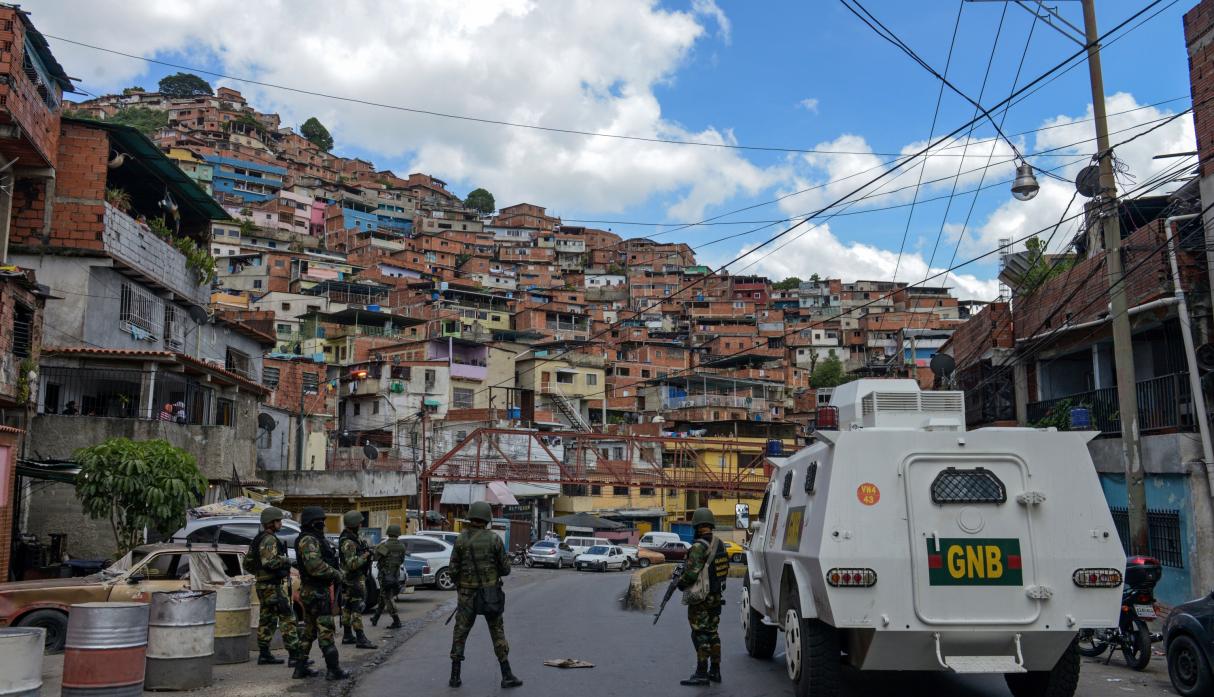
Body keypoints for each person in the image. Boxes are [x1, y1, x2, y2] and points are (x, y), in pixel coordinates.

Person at [448, 501, 521, 689]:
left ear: (471, 517)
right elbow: (505, 570)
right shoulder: (494, 540)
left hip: (466, 595)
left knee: (460, 632)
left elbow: (453, 570)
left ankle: (454, 676)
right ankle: (506, 674)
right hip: (490, 593)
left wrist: (461, 585)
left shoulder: (461, 539)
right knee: (497, 632)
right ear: (487, 519)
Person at [293, 506, 351, 680]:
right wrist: (336, 574)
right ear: (313, 523)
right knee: (326, 630)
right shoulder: (309, 540)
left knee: (309, 631)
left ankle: (300, 668)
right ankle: (333, 670)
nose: (323, 525)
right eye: (321, 522)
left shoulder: (313, 539)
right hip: (316, 592)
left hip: (314, 590)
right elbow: (315, 567)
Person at [675, 507, 730, 686]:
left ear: (697, 526)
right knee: (713, 633)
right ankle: (715, 671)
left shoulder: (698, 547)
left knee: (700, 634)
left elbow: (691, 575)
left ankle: (701, 673)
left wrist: (680, 584)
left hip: (702, 598)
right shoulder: (719, 543)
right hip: (716, 596)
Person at [247, 507, 307, 670]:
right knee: (287, 618)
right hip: (272, 586)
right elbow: (269, 562)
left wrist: (260, 574)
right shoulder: (269, 540)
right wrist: (285, 560)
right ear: (270, 523)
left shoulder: (258, 539)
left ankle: (264, 654)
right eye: (278, 521)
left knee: (267, 619)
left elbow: (248, 563)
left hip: (263, 585)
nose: (280, 523)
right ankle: (295, 656)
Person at [337, 510, 376, 649]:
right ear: (353, 523)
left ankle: (347, 635)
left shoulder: (351, 538)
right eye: (359, 522)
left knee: (347, 607)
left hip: (349, 579)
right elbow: (352, 564)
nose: (361, 524)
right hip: (353, 579)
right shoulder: (349, 542)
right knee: (357, 608)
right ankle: (360, 637)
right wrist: (365, 556)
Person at [371, 524, 407, 629]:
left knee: (387, 597)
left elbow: (376, 557)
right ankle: (375, 617)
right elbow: (401, 560)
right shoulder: (402, 546)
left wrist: (376, 548)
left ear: (389, 533)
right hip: (395, 575)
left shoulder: (384, 546)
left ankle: (396, 621)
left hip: (385, 575)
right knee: (384, 596)